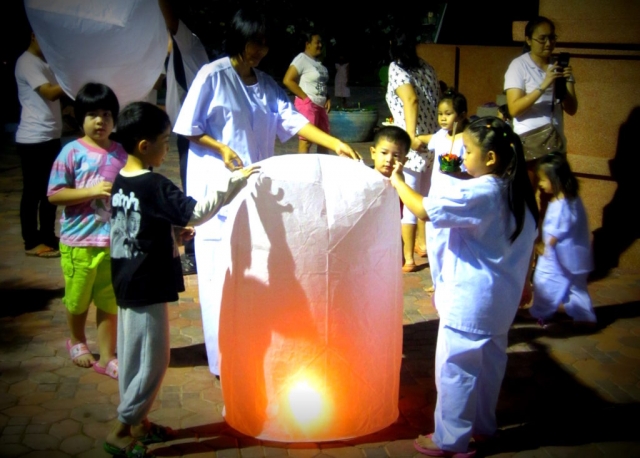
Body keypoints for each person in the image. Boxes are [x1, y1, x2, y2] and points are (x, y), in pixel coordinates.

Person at [173, 9, 360, 376]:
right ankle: (221, 362)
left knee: (255, 273)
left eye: (264, 44)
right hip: (217, 195)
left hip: (256, 191)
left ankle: (249, 347)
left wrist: (335, 143)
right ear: (239, 38)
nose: (258, 50)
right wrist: (220, 147)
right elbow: (188, 127)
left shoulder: (267, 84)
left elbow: (294, 121)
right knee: (217, 276)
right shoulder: (212, 76)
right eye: (253, 42)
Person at [104, 101, 258, 457]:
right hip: (147, 286)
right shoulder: (155, 184)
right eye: (163, 141)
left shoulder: (121, 180)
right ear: (145, 146)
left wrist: (171, 237)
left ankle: (139, 422)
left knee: (132, 356)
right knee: (153, 362)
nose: (166, 148)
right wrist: (235, 182)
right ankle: (121, 430)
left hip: (127, 281)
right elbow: (197, 213)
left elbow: (133, 229)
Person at [391, 117, 538, 457]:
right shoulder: (516, 190)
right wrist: (527, 283)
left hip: (471, 300)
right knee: (489, 367)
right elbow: (526, 244)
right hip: (501, 301)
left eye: (468, 151)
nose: (462, 156)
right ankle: (484, 427)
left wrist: (399, 180)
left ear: (490, 158)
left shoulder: (483, 193)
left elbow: (423, 210)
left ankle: (450, 439)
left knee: (457, 368)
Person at [47, 83, 126, 377]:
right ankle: (77, 341)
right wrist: (91, 191)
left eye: (106, 114)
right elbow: (54, 195)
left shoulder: (121, 153)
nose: (100, 121)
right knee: (78, 298)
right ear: (79, 118)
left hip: (113, 242)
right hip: (79, 241)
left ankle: (107, 356)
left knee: (109, 301)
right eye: (92, 114)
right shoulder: (71, 152)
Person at [159, 0, 209, 275]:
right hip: (186, 134)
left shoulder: (188, 43)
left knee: (193, 191)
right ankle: (195, 249)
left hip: (195, 135)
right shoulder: (175, 56)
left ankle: (193, 252)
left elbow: (170, 17)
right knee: (192, 188)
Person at [386, 29, 439, 272]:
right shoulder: (427, 67)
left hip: (415, 144)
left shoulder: (397, 68)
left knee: (409, 200)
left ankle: (408, 258)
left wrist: (409, 136)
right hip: (432, 139)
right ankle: (424, 245)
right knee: (426, 198)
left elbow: (411, 100)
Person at [504, 16, 578, 173]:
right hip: (530, 142)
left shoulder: (560, 67)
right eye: (542, 39)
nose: (549, 43)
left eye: (552, 38)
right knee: (529, 195)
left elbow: (572, 109)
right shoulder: (519, 66)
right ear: (529, 40)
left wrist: (563, 84)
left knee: (553, 193)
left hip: (556, 143)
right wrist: (543, 85)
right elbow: (514, 109)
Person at [529, 153, 595, 326]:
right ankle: (582, 316)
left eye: (543, 180)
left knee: (549, 283)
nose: (541, 185)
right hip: (569, 257)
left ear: (555, 179)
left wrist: (545, 245)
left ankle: (543, 313)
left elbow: (560, 229)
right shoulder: (568, 199)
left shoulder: (564, 204)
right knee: (572, 287)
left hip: (562, 256)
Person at [15, 32, 64, 258]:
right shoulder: (27, 62)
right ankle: (31, 241)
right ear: (35, 35)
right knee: (33, 192)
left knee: (50, 192)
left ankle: (47, 235)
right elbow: (49, 93)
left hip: (50, 136)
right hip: (33, 138)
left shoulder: (44, 63)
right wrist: (74, 79)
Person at [425, 89, 469, 294]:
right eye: (440, 113)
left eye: (448, 114)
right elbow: (427, 142)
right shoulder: (441, 136)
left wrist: (458, 170)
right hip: (436, 194)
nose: (443, 118)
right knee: (434, 243)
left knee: (447, 243)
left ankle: (447, 283)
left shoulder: (466, 140)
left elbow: (469, 169)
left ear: (461, 115)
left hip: (453, 197)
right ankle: (436, 282)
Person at [283, 31, 331, 153]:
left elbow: (320, 83)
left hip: (320, 106)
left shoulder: (318, 62)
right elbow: (288, 80)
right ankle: (303, 170)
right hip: (308, 105)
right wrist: (305, 98)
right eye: (317, 42)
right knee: (306, 141)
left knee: (324, 140)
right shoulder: (302, 59)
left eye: (321, 43)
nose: (320, 45)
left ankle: (321, 169)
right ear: (307, 44)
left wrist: (328, 97)